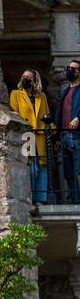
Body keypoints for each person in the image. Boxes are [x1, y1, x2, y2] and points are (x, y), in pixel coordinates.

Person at [10, 68, 51, 204]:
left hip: (39, 136)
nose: (25, 79)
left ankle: (41, 199)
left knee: (42, 167)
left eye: (29, 77)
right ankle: (31, 198)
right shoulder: (15, 94)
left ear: (35, 81)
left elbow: (47, 116)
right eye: (23, 76)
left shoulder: (42, 97)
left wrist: (53, 131)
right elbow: (14, 114)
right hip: (26, 135)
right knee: (31, 168)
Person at [59, 60, 80, 202]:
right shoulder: (65, 91)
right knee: (68, 172)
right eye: (68, 68)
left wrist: (79, 118)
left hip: (77, 135)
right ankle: (74, 199)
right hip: (65, 134)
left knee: (79, 169)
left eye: (73, 68)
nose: (70, 70)